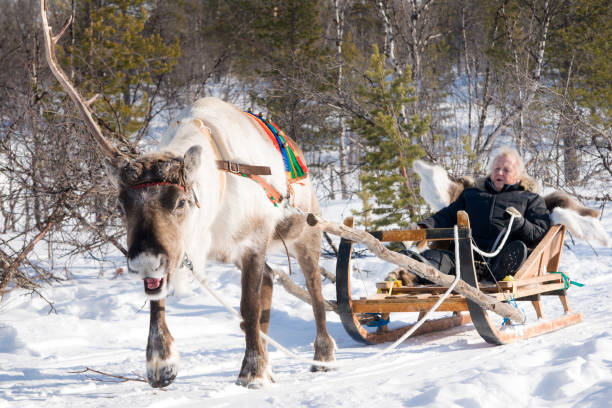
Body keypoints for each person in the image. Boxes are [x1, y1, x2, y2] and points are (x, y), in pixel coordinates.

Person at [412, 146, 551, 282]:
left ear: (519, 176)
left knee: (517, 252)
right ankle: (411, 266)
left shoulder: (531, 199)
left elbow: (540, 234)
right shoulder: (472, 195)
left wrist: (521, 224)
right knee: (429, 259)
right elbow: (446, 216)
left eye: (506, 170)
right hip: (464, 260)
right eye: (496, 169)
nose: (500, 173)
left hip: (502, 260)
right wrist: (423, 227)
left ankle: (494, 274)